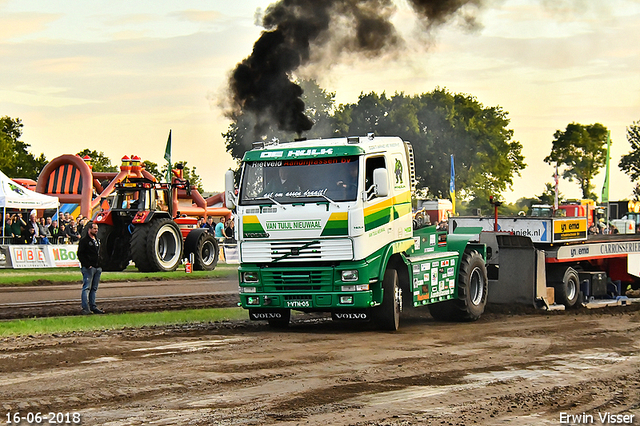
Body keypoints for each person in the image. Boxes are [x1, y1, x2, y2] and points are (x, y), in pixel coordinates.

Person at [77, 222, 104, 315]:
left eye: (97, 229)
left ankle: (93, 306)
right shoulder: (84, 241)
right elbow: (80, 254)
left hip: (97, 267)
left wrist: (100, 264)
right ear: (89, 229)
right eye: (94, 229)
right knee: (86, 288)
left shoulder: (97, 240)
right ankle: (85, 308)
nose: (96, 230)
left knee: (94, 288)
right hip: (89, 268)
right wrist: (87, 264)